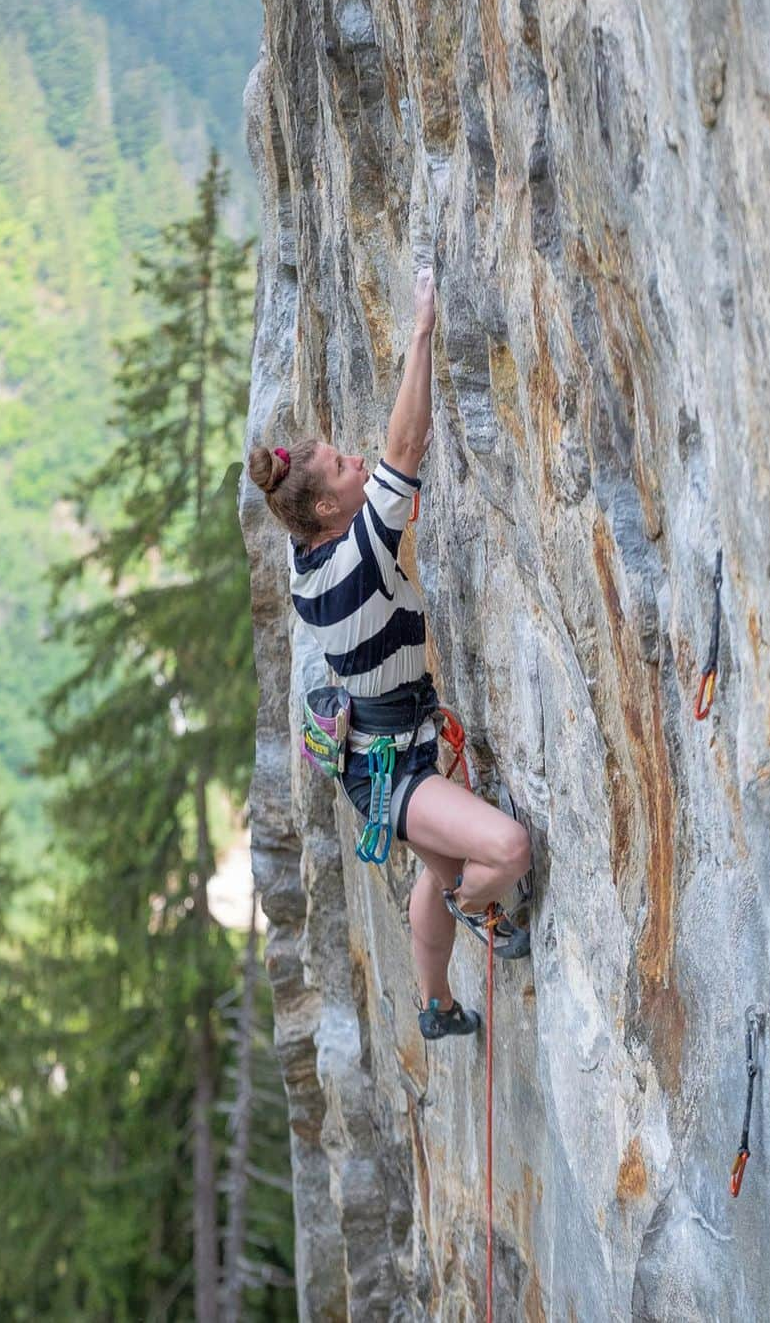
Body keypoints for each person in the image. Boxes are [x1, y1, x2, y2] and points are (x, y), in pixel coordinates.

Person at [248, 268, 532, 1041]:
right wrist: (421, 331)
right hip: (395, 770)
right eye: (344, 469)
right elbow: (407, 446)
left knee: (439, 853)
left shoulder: (306, 564)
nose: (359, 465)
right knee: (503, 850)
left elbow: (370, 470)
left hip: (378, 758)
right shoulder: (356, 558)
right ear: (330, 510)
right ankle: (468, 906)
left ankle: (435, 1006)